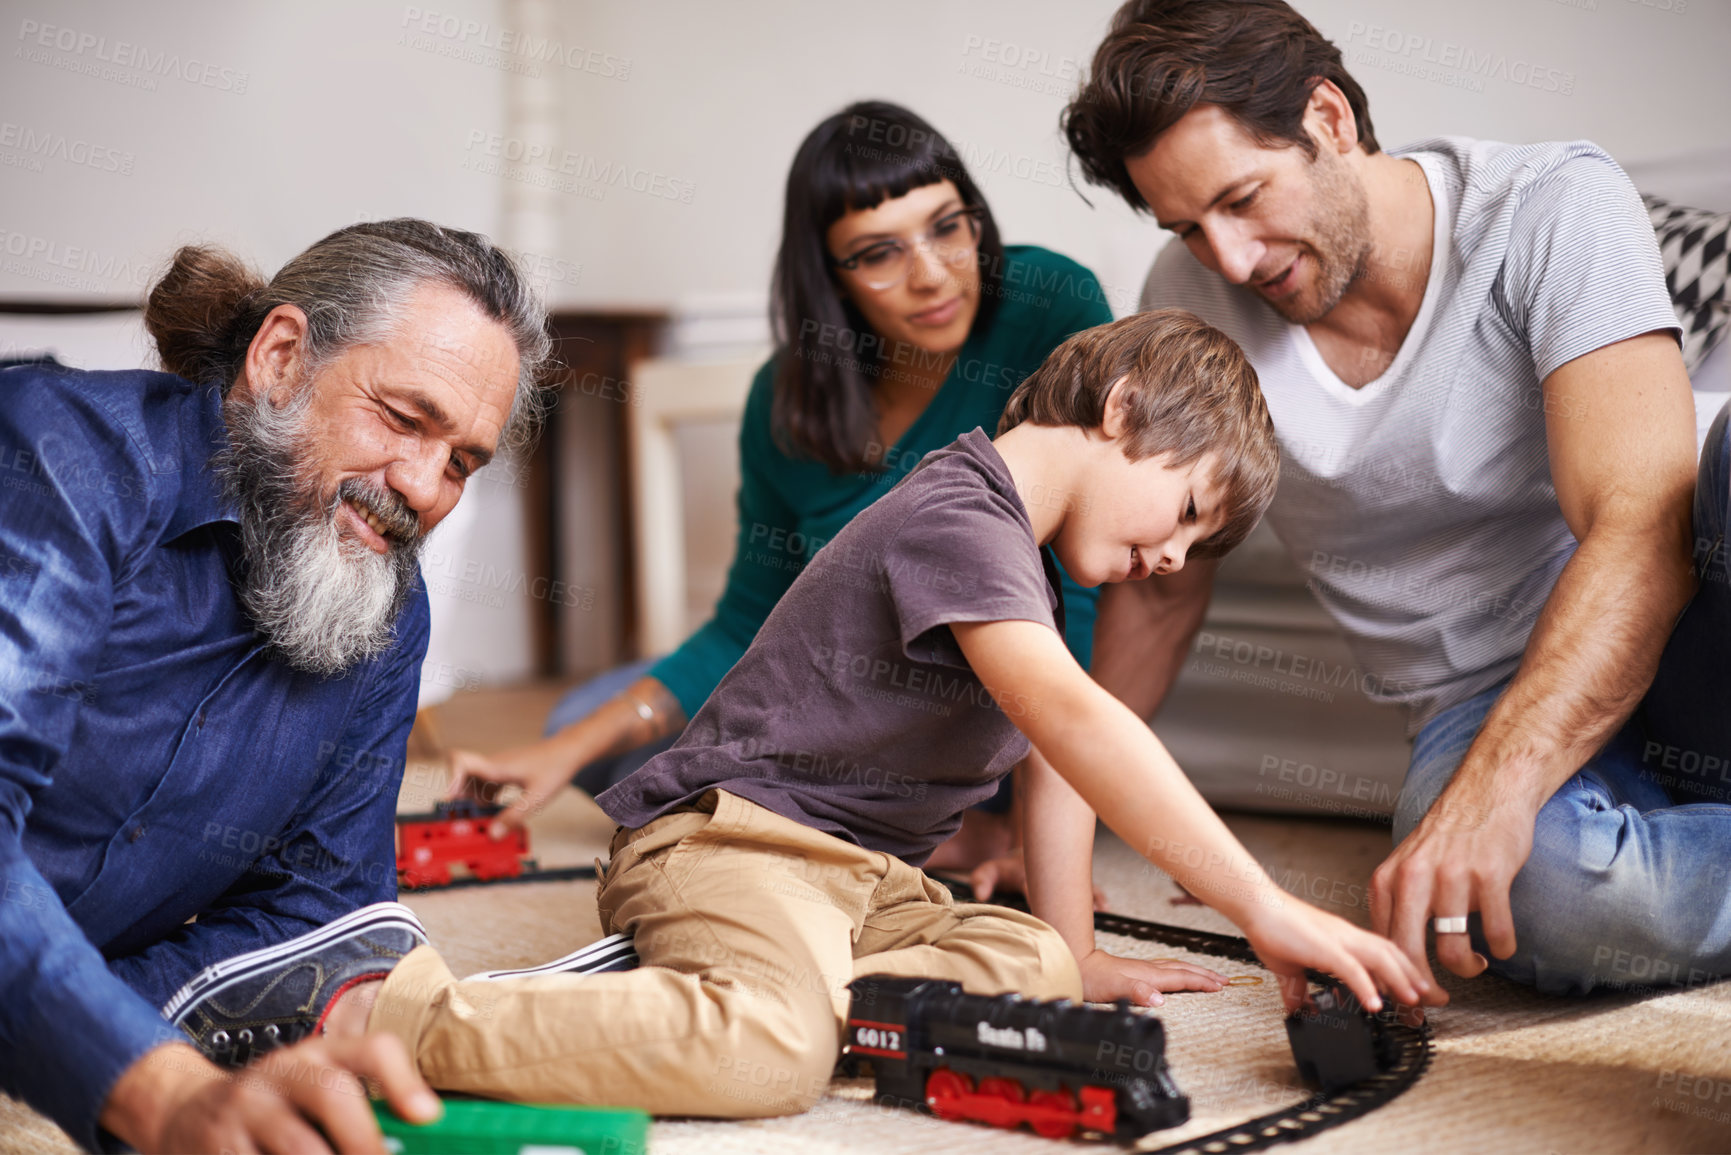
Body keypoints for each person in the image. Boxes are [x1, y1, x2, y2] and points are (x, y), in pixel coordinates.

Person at [223, 310, 1428, 1120]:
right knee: (772, 1057)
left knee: (1032, 963)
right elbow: (1082, 726)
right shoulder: (963, 513)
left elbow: (1057, 756)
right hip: (730, 839)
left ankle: (726, 982)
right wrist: (1263, 907)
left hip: (857, 884)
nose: (1173, 558)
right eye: (1185, 512)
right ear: (1121, 412)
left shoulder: (1032, 570)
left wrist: (1081, 944)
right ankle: (392, 1011)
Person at [1062, 0, 1728, 999]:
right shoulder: (1189, 298)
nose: (1232, 260)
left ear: (1329, 118)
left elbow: (1642, 529)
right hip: (1472, 698)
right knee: (1531, 899)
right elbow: (1162, 592)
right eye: (1191, 229)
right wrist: (1054, 831)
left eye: (1244, 198)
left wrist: (1496, 793)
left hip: (1684, 643)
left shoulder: (1546, 206)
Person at [450, 101, 1112, 879]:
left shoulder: (1049, 305)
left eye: (946, 225)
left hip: (990, 698)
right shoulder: (787, 399)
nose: (931, 273)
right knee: (583, 722)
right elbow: (748, 619)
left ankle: (904, 822)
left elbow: (1080, 590)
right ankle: (886, 825)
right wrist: (560, 752)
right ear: (826, 276)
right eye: (877, 253)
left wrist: (1033, 834)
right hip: (844, 697)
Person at [0, 219, 548, 1153]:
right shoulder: (63, 458)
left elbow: (312, 912)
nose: (422, 486)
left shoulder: (387, 613)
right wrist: (159, 1085)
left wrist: (86, 1029)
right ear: (282, 358)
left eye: (461, 461)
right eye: (404, 418)